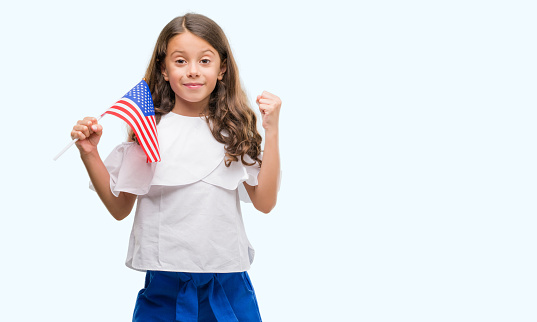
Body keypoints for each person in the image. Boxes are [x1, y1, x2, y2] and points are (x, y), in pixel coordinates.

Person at [71, 13, 281, 322]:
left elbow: (265, 202)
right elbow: (119, 208)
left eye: (205, 61)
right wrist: (90, 154)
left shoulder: (233, 132)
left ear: (222, 68)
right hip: (165, 286)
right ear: (164, 70)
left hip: (226, 284)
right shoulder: (150, 131)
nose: (193, 71)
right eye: (180, 61)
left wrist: (272, 130)